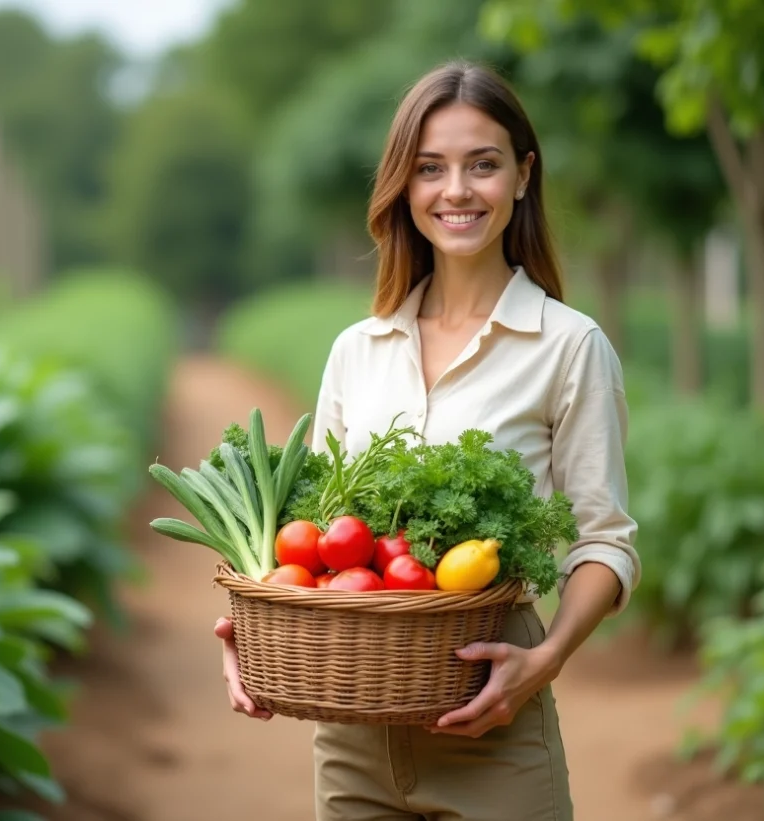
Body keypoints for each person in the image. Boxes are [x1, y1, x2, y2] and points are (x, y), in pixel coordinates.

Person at [214, 59, 640, 821]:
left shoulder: (569, 345)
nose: (456, 191)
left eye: (483, 165)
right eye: (430, 169)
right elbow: (309, 536)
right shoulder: (358, 349)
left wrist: (543, 662)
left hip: (491, 714)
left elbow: (605, 540)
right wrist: (253, 629)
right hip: (352, 735)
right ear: (403, 188)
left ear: (522, 176)